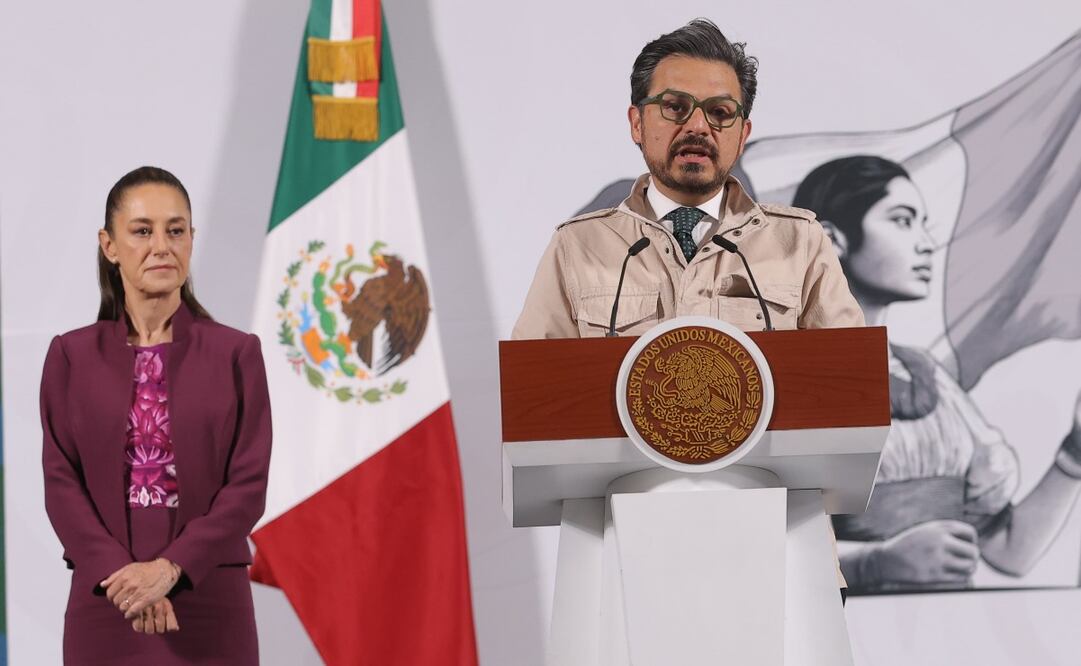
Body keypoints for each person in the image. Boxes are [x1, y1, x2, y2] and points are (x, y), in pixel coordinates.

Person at [793, 155, 1081, 592]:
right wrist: (875, 563)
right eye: (903, 221)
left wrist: (1074, 454)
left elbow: (1010, 551)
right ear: (832, 240)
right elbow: (752, 554)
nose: (927, 243)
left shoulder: (930, 378)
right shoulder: (790, 375)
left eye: (924, 223)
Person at [41, 166, 271, 664]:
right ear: (109, 245)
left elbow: (248, 486)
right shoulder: (70, 356)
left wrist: (169, 570)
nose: (162, 246)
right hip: (106, 597)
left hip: (209, 596)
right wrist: (126, 581)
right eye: (142, 231)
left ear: (192, 239)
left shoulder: (237, 353)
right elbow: (62, 485)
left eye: (176, 229)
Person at [512, 19, 864, 341]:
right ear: (638, 123)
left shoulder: (799, 243)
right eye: (676, 107)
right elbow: (534, 393)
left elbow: (851, 385)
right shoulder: (578, 246)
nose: (697, 127)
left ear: (742, 135)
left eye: (719, 113)